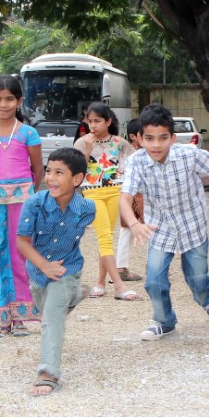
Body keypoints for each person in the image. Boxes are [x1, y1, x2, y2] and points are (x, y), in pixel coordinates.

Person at [119, 103, 209, 341]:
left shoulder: (189, 154)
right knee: (154, 279)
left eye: (163, 138)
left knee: (197, 276)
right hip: (160, 228)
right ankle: (164, 320)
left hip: (193, 225)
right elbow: (125, 198)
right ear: (139, 138)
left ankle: (207, 300)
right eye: (149, 138)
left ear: (172, 137)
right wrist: (134, 223)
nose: (156, 144)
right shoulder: (136, 162)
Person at [16, 148, 96, 395]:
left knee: (52, 318)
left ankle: (48, 373)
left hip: (66, 269)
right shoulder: (34, 204)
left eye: (59, 173)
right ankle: (77, 293)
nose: (50, 177)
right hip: (38, 272)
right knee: (46, 310)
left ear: (76, 179)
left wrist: (58, 270)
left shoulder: (86, 209)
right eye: (49, 171)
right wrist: (44, 266)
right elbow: (21, 242)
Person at [0, 76, 44, 336]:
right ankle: (0, 317)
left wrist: (24, 195)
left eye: (9, 99)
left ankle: (22, 316)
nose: (3, 105)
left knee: (21, 255)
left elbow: (38, 170)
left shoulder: (28, 133)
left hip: (22, 202)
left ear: (19, 101)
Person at [75, 102, 139, 301]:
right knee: (104, 237)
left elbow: (133, 166)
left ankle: (100, 282)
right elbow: (78, 171)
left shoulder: (121, 143)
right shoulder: (82, 142)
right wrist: (86, 148)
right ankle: (119, 286)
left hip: (116, 192)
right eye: (90, 121)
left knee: (107, 237)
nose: (93, 125)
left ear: (108, 121)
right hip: (92, 193)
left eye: (98, 121)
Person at [115, 118, 144, 282]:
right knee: (153, 228)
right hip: (136, 195)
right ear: (134, 136)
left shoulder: (123, 150)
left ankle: (121, 266)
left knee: (126, 230)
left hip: (128, 193)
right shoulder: (134, 153)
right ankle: (156, 265)